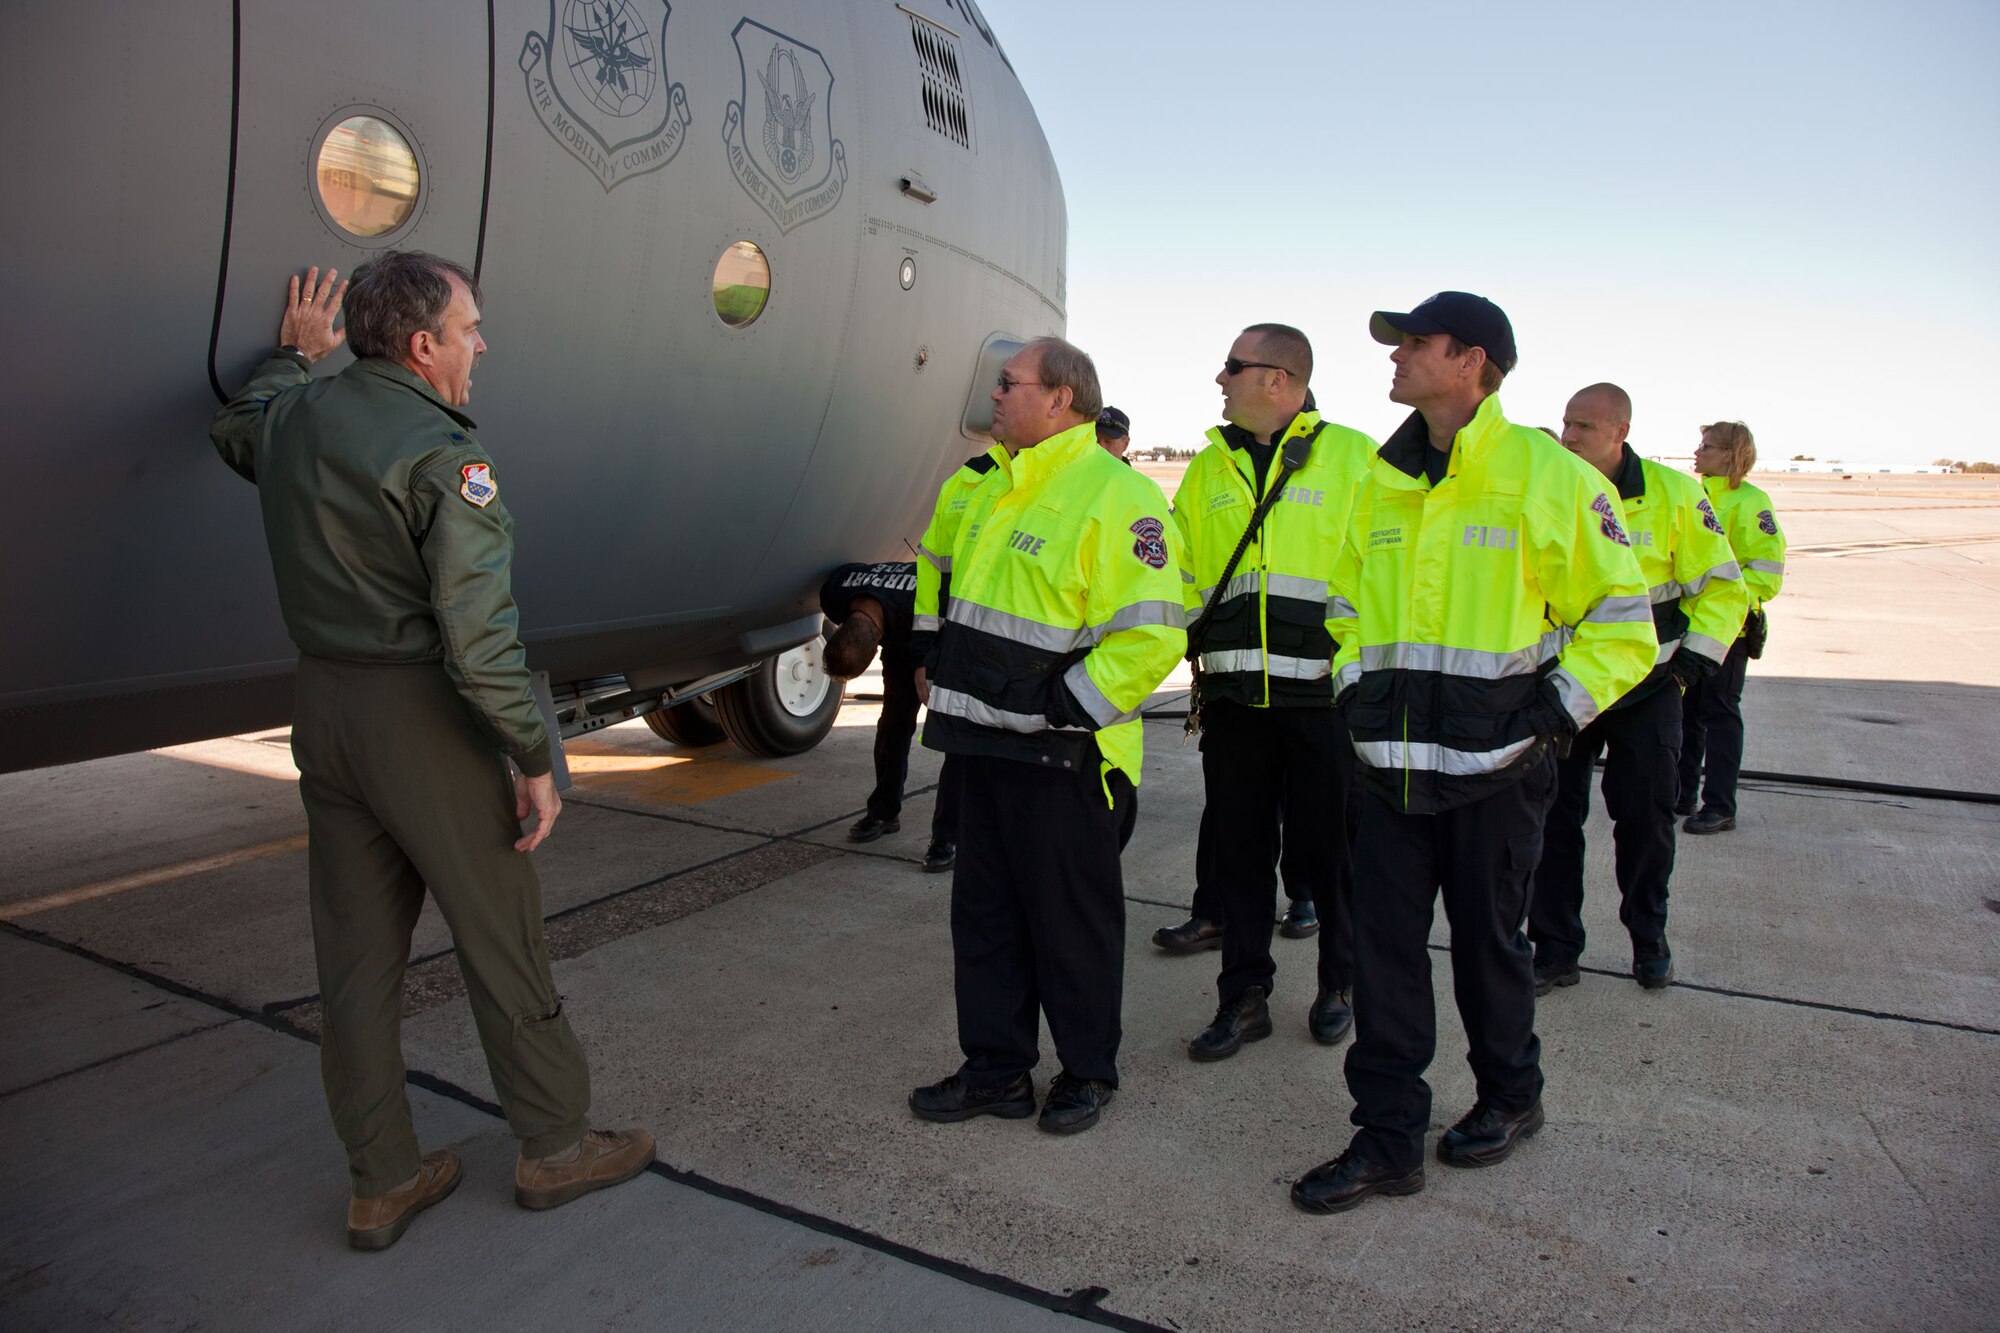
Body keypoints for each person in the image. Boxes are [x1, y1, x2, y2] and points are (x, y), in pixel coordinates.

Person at [209, 254, 653, 1251]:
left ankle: (381, 1179)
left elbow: (235, 427)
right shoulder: (446, 456)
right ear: (423, 345)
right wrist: (532, 754)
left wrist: (291, 356)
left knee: (356, 961)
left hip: (323, 710)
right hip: (424, 716)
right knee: (502, 939)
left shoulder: (296, 418)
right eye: (469, 328)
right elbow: (478, 635)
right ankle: (553, 1145)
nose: (480, 345)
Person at [1292, 292, 1654, 1215]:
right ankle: (1386, 1139)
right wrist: (1352, 694)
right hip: (1388, 770)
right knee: (1383, 955)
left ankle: (1510, 1096)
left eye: (1415, 343)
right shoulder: (1382, 476)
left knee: (1491, 949)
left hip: (1497, 775)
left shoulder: (1547, 474)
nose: (1396, 357)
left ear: (1472, 359)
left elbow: (1621, 630)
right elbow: (1342, 608)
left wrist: (1547, 720)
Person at [907, 337, 1186, 1135]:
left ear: (1060, 398)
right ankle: (996, 1069)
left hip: (1067, 757)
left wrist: (1069, 706)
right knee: (987, 919)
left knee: (1071, 927)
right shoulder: (1000, 487)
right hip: (986, 748)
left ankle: (1088, 1072)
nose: (993, 395)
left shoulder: (1118, 495)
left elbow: (1153, 636)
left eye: (1008, 382)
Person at [1168, 323, 1377, 1061]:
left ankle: (1340, 984)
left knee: (1333, 853)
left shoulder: (1356, 458)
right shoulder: (1207, 469)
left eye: (1232, 367)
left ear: (1278, 379)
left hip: (1322, 702)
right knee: (1240, 853)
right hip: (1233, 700)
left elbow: (1379, 573)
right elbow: (1180, 573)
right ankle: (1243, 996)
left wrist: (1353, 669)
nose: (1219, 380)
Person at [1529, 385, 1747, 994]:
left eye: (1585, 428)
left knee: (1646, 823)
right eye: (1566, 425)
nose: (1569, 437)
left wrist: (1690, 668)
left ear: (1620, 431)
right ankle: (1554, 949)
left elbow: (1725, 590)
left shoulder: (1675, 495)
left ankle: (1649, 939)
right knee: (1551, 824)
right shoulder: (1550, 489)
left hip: (1649, 690)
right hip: (1568, 693)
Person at [1678, 421, 1786, 834]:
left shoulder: (1751, 503)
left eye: (1706, 446)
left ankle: (1720, 805)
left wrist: (1725, 604)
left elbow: (1766, 576)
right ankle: (1684, 792)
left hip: (1728, 630)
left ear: (1730, 455)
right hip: (1688, 626)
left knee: (1719, 714)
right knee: (1685, 714)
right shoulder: (1693, 494)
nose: (1697, 452)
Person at [820, 561, 958, 871]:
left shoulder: (921, 600)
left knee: (951, 738)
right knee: (892, 731)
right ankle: (883, 812)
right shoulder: (835, 593)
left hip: (939, 648)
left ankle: (948, 836)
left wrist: (928, 666)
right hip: (898, 653)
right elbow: (848, 567)